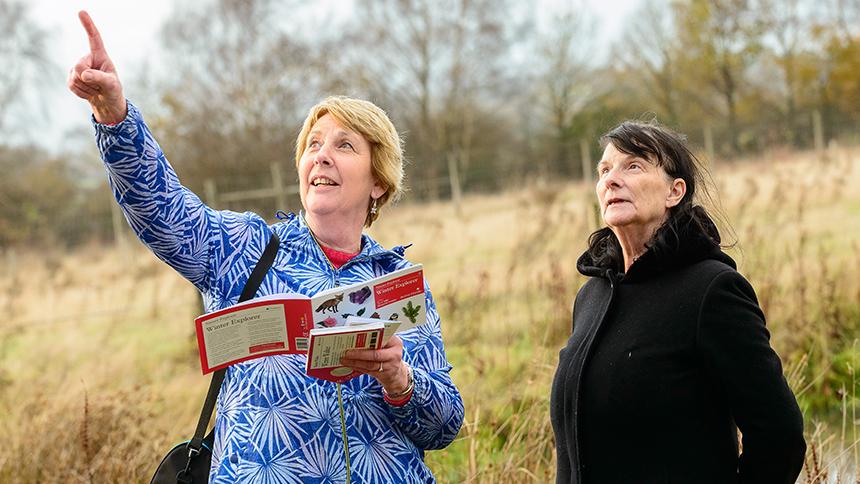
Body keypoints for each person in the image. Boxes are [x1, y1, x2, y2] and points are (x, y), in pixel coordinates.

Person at [68, 11, 464, 483]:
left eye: (344, 145)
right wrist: (115, 117)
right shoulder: (245, 249)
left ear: (378, 181)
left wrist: (400, 381)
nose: (321, 154)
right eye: (313, 144)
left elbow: (444, 425)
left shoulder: (399, 287)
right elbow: (160, 209)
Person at [550, 120, 806, 483]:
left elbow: (779, 435)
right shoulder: (592, 295)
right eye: (604, 170)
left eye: (633, 165)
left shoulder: (711, 290)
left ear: (675, 191)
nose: (611, 179)